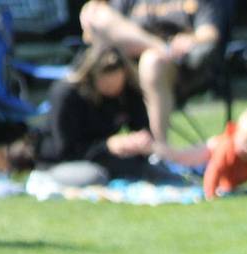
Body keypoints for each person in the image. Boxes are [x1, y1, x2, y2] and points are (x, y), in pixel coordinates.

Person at [79, 0, 236, 145]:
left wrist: (192, 39)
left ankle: (160, 149)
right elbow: (93, 32)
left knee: (152, 61)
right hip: (126, 68)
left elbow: (210, 33)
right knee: (97, 13)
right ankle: (160, 47)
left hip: (180, 69)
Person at [36, 45, 166, 183]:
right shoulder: (67, 95)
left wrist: (140, 142)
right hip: (62, 162)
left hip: (104, 157)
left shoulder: (127, 92)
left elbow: (142, 127)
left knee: (153, 170)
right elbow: (66, 150)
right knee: (95, 175)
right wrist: (107, 146)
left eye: (118, 85)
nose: (114, 91)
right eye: (108, 86)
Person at [158, 105, 247, 198]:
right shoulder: (226, 148)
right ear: (236, 135)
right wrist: (210, 194)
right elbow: (214, 170)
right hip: (205, 163)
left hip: (225, 174)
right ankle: (159, 157)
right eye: (246, 143)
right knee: (182, 167)